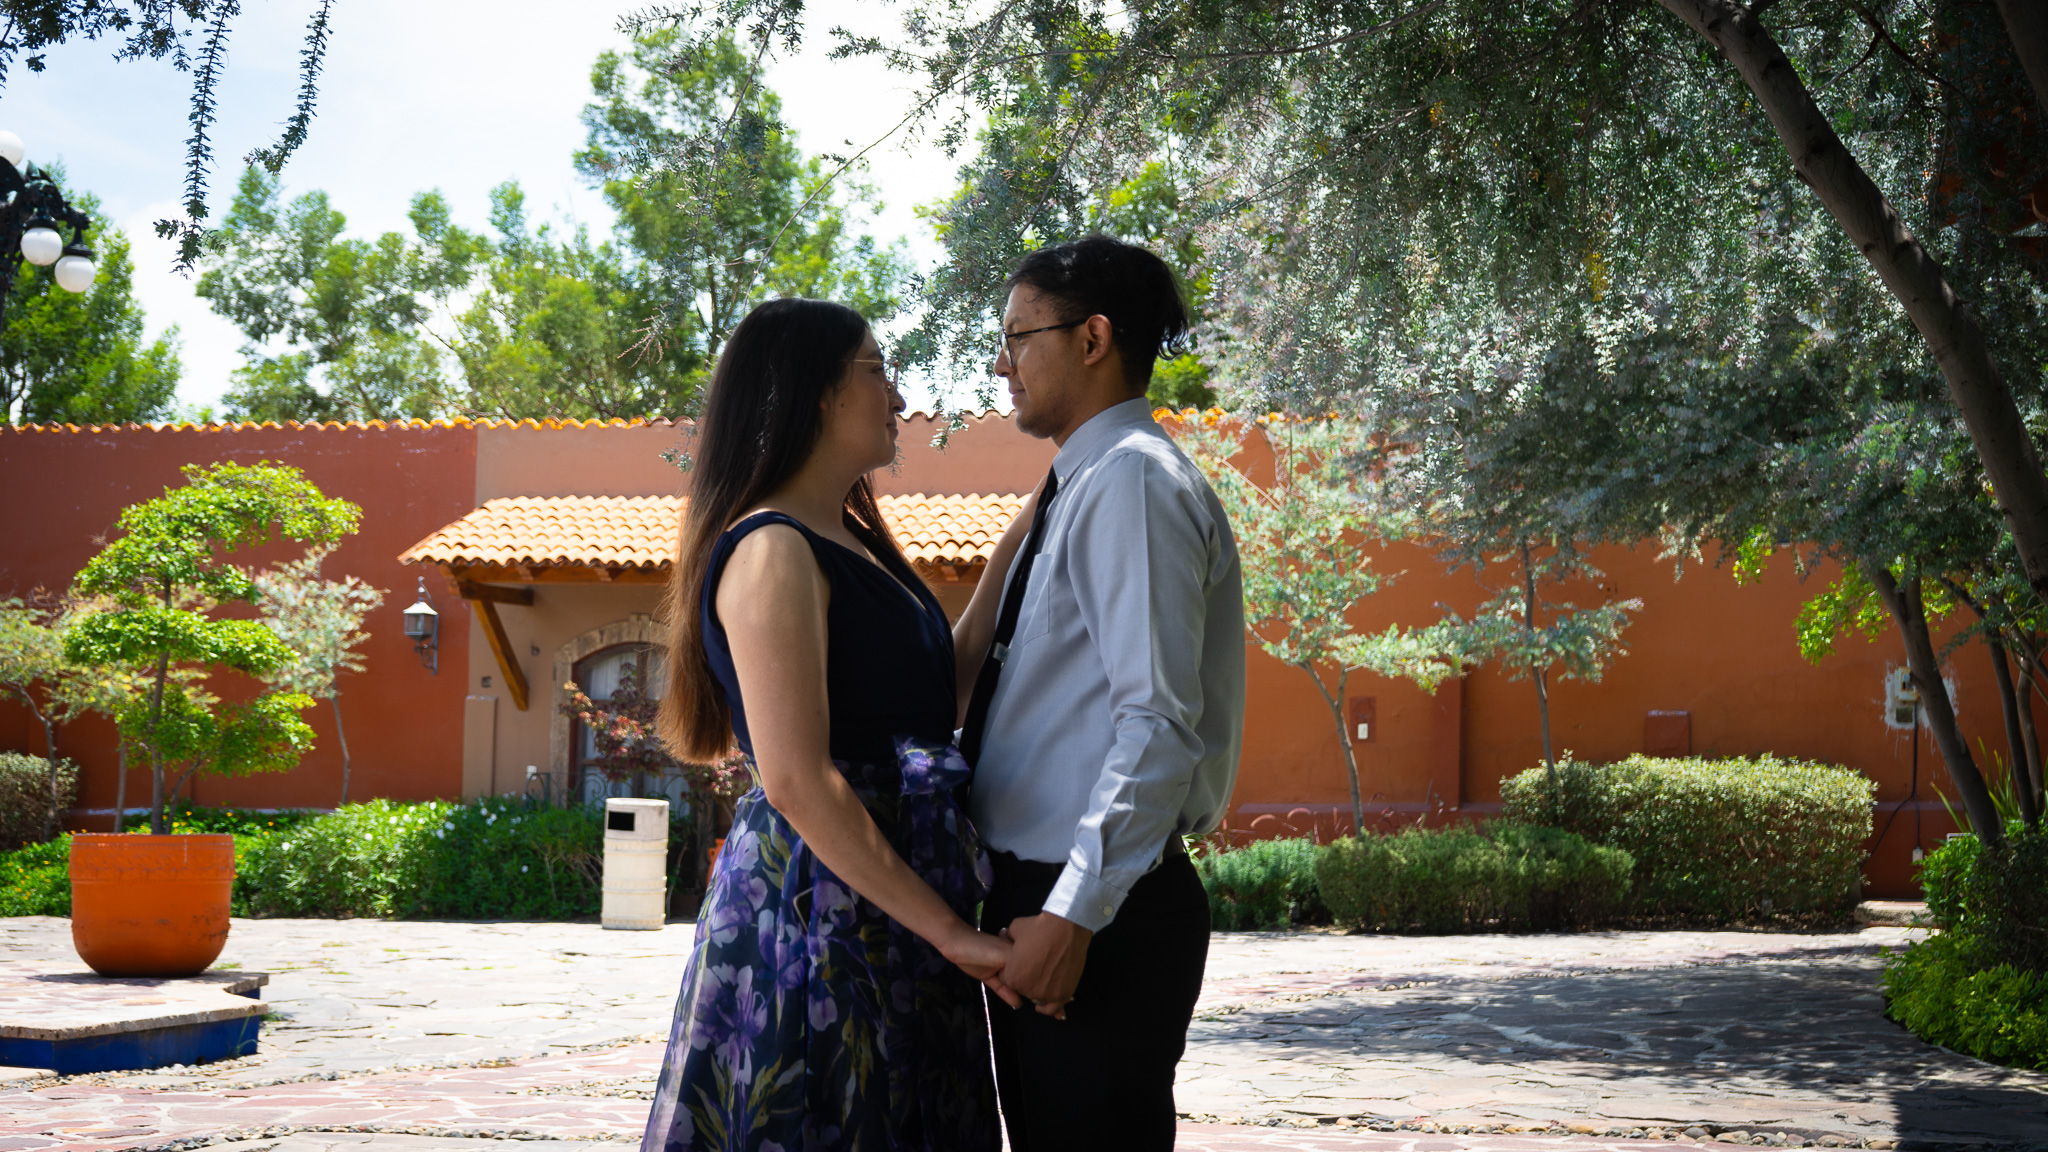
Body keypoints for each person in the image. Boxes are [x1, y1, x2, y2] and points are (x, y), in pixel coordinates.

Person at [642, 297, 1014, 1152]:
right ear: (814, 391)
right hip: (823, 912)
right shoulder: (773, 548)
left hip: (890, 901)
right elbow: (800, 780)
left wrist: (1019, 542)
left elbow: (935, 696)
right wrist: (953, 931)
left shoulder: (844, 537)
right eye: (877, 369)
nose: (897, 393)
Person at [956, 235, 1247, 1151]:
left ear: (1092, 339)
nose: (1003, 363)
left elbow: (1158, 724)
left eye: (1018, 336)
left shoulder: (1130, 484)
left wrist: (1070, 915)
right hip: (1051, 905)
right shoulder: (1083, 482)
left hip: (1090, 913)